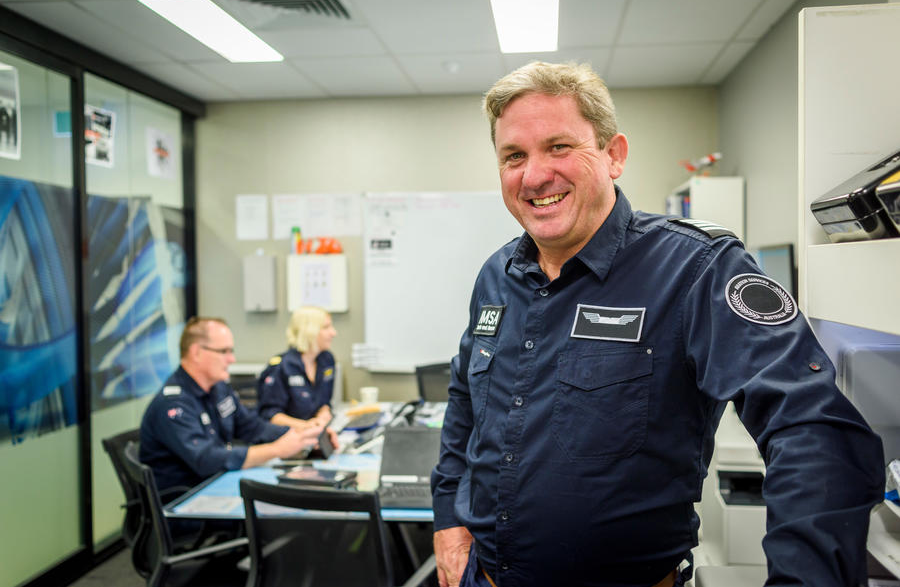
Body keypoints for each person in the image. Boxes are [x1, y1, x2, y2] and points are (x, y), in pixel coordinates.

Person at [430, 61, 885, 587]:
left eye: (559, 146)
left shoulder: (697, 269)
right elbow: (465, 398)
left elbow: (812, 429)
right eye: (514, 156)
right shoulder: (496, 274)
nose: (534, 176)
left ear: (613, 155)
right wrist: (450, 518)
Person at [140, 316, 330, 496]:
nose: (232, 359)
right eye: (224, 351)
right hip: (189, 504)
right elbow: (206, 459)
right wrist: (277, 449)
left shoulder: (218, 389)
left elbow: (252, 427)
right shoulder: (173, 404)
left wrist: (304, 434)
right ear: (196, 352)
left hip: (217, 486)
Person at [256, 306, 337, 429]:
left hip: (317, 434)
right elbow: (270, 415)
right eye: (326, 327)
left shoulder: (327, 360)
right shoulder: (281, 367)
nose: (333, 333)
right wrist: (306, 426)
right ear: (309, 331)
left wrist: (324, 412)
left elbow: (324, 402)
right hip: (289, 439)